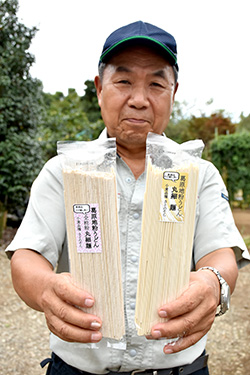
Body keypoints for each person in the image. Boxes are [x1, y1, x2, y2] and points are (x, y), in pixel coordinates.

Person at [6, 21, 250, 375]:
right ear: (100, 87)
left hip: (180, 368)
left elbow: (220, 254)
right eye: (123, 81)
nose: (139, 99)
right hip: (77, 368)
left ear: (173, 91)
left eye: (155, 83)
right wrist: (46, 289)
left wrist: (213, 281)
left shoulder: (199, 174)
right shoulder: (64, 171)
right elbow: (27, 256)